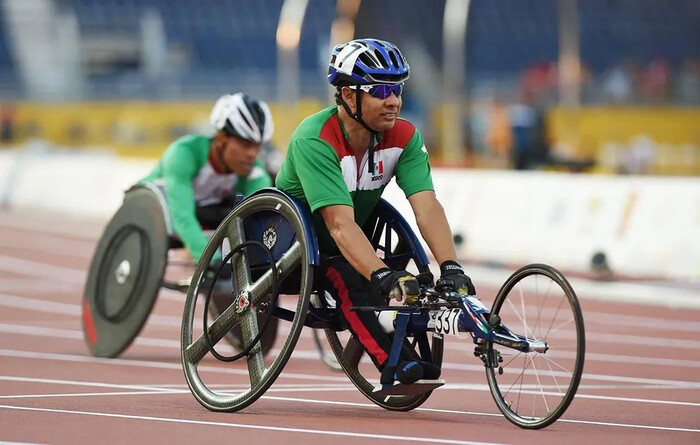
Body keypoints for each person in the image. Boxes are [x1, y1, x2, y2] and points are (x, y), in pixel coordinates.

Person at [275, 38, 476, 385]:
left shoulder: (404, 137)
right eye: (381, 90)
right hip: (289, 251)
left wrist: (450, 266)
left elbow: (426, 205)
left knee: (396, 276)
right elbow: (338, 225)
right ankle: (393, 363)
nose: (394, 101)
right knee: (346, 274)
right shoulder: (315, 138)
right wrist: (381, 275)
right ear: (349, 95)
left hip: (349, 244)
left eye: (397, 89)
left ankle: (407, 357)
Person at [140, 92, 274, 262]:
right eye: (245, 145)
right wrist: (213, 261)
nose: (252, 154)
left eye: (257, 146)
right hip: (154, 211)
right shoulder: (184, 153)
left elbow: (258, 219)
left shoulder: (253, 171)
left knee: (235, 212)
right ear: (221, 138)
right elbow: (182, 215)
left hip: (199, 214)